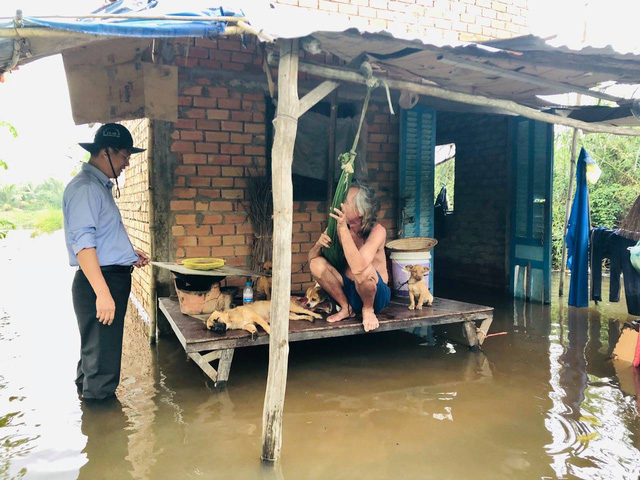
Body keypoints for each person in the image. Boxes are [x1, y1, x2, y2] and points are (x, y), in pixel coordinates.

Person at [63, 123, 149, 401]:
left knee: (95, 357)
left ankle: (88, 418)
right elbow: (84, 245)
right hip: (100, 281)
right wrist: (103, 294)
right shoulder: (87, 188)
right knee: (103, 366)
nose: (126, 163)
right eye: (124, 155)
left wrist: (128, 253)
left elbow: (100, 236)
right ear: (105, 152)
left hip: (106, 277)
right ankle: (103, 430)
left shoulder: (97, 186)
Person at [308, 181, 390, 332]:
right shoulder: (339, 228)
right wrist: (319, 244)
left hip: (374, 294)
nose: (340, 205)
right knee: (317, 264)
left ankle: (368, 310)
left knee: (364, 270)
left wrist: (342, 230)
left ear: (360, 210)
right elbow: (311, 260)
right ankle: (346, 308)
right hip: (348, 291)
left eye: (345, 202)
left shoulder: (377, 231)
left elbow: (359, 266)